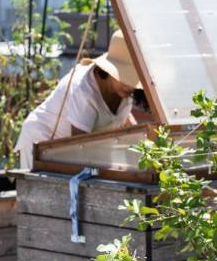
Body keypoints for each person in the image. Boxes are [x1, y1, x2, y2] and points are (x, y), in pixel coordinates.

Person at [14, 29, 144, 169]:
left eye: (134, 79)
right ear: (109, 70)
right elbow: (80, 149)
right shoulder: (83, 89)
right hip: (41, 141)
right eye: (125, 77)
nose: (130, 85)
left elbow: (129, 128)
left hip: (69, 150)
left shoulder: (123, 93)